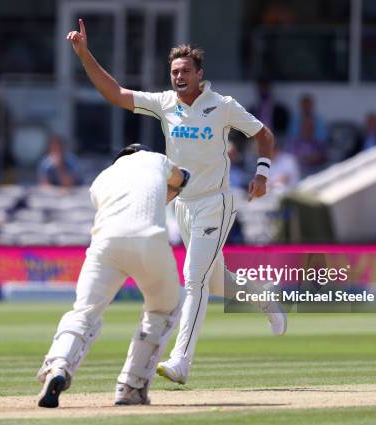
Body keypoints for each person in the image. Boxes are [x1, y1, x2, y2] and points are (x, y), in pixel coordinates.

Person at [66, 19, 286, 386]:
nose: (178, 77)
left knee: (193, 279)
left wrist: (261, 173)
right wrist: (85, 55)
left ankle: (181, 359)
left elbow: (264, 135)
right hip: (183, 205)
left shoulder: (223, 106)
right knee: (216, 284)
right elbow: (117, 94)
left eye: (185, 70)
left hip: (216, 202)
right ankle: (264, 298)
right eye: (173, 71)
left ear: (200, 74)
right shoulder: (165, 104)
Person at [36, 144, 189, 407]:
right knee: (164, 308)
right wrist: (181, 182)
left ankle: (57, 367)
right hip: (148, 239)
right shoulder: (155, 159)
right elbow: (180, 179)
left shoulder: (101, 179)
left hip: (105, 245)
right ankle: (131, 385)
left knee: (84, 311)